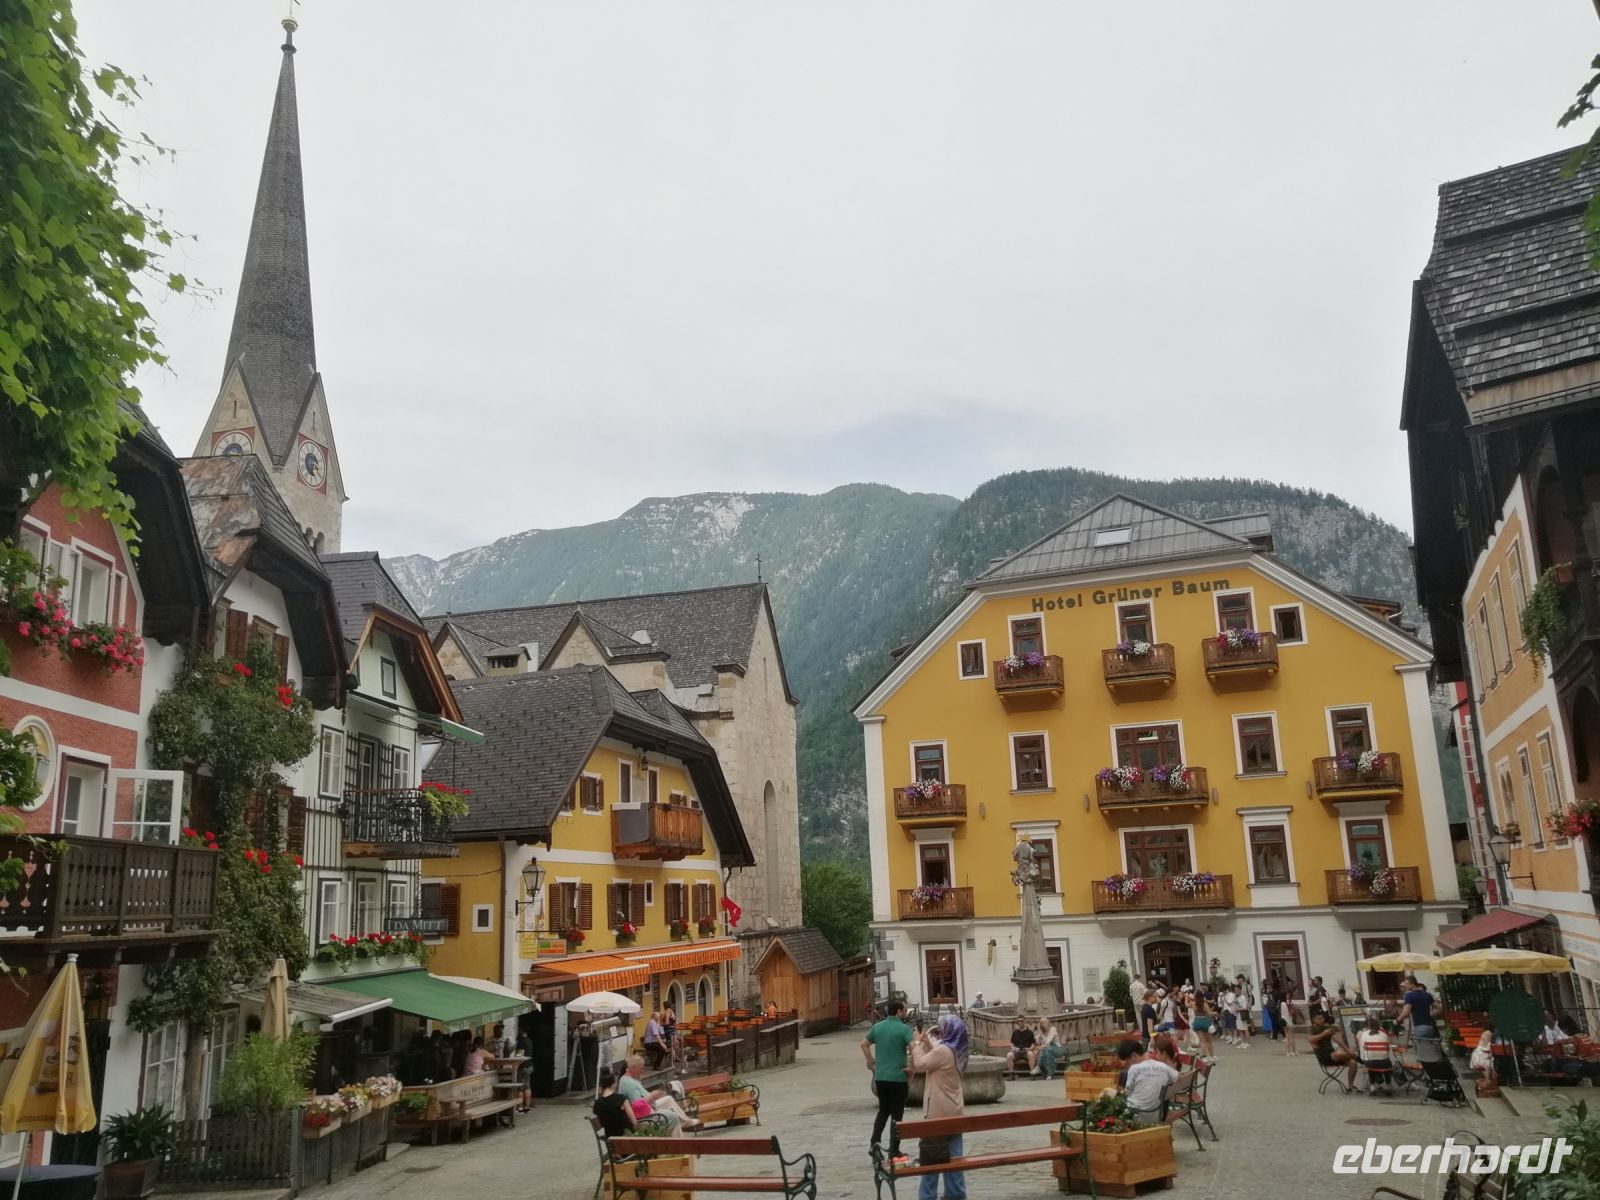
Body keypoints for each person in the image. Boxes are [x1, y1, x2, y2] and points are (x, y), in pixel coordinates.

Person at [909, 1015, 968, 1200]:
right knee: (955, 1157)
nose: (941, 1032)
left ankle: (927, 1196)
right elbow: (938, 1059)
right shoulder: (957, 1050)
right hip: (955, 1111)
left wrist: (917, 1044)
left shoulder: (943, 1050)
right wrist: (928, 1042)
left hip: (937, 1112)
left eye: (943, 1029)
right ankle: (955, 1194)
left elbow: (919, 1065)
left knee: (931, 1159)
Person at [862, 998, 915, 1162]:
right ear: (898, 1011)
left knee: (883, 1112)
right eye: (904, 1010)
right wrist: (912, 1066)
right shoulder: (904, 1029)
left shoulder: (878, 1027)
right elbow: (914, 1047)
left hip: (881, 1077)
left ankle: (875, 1144)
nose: (905, 1013)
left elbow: (863, 1044)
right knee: (897, 1116)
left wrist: (872, 1062)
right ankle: (894, 1150)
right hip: (898, 1078)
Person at [618, 1054, 699, 1133]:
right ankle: (681, 1132)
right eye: (641, 1069)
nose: (643, 1071)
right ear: (633, 1068)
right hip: (645, 1114)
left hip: (649, 1106)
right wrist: (651, 1096)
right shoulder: (629, 1084)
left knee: (669, 1099)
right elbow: (637, 1106)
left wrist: (653, 1095)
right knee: (673, 1116)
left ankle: (686, 1122)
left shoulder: (630, 1077)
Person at [594, 1068, 673, 1138]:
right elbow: (634, 1122)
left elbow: (602, 1122)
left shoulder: (597, 1103)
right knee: (662, 1122)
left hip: (612, 1140)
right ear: (614, 1084)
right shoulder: (621, 1099)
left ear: (601, 1085)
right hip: (628, 1137)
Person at [1308, 1011, 1358, 1092]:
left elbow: (1338, 1039)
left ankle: (1350, 1086)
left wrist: (1347, 1049)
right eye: (1319, 1019)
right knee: (1342, 1053)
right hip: (1324, 1056)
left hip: (1333, 1054)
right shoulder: (1311, 1028)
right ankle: (1362, 1059)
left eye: (1322, 1018)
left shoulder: (1327, 1026)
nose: (1321, 1020)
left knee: (1353, 1062)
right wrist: (1324, 1034)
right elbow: (1310, 1040)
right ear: (1314, 1020)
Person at [1355, 1015, 1394, 1094]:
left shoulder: (1364, 1034)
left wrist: (1364, 1060)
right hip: (1384, 1062)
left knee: (1370, 1063)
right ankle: (1388, 1084)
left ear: (1368, 1026)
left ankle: (1372, 1085)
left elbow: (1362, 1049)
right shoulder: (1384, 1034)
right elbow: (1387, 1050)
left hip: (1370, 1062)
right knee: (1386, 1063)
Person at [1400, 977, 1437, 1041]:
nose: (1406, 986)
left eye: (1407, 984)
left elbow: (1406, 1012)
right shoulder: (1427, 995)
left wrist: (1397, 1020)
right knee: (1428, 1047)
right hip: (1430, 1026)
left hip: (1419, 1026)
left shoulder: (1410, 996)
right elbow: (1439, 1008)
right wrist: (1431, 1015)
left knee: (1422, 1049)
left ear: (1412, 984)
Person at [515, 1023, 535, 1113]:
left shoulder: (521, 1042)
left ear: (521, 1030)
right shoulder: (529, 1040)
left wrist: (515, 1066)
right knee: (527, 1086)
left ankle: (519, 1107)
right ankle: (527, 1106)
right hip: (530, 1065)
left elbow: (520, 1055)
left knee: (520, 1087)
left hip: (523, 1066)